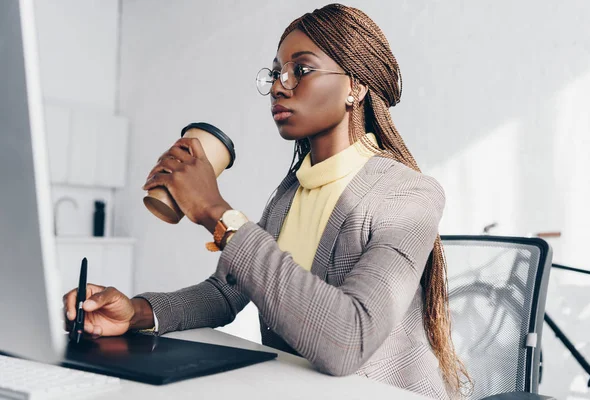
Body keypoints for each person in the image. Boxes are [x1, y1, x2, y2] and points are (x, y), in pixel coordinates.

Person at [64, 4, 469, 398]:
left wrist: (215, 212)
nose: (279, 85)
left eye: (301, 70)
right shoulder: (290, 193)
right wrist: (136, 313)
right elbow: (225, 292)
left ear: (355, 86)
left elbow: (348, 340)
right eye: (276, 73)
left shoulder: (408, 194)